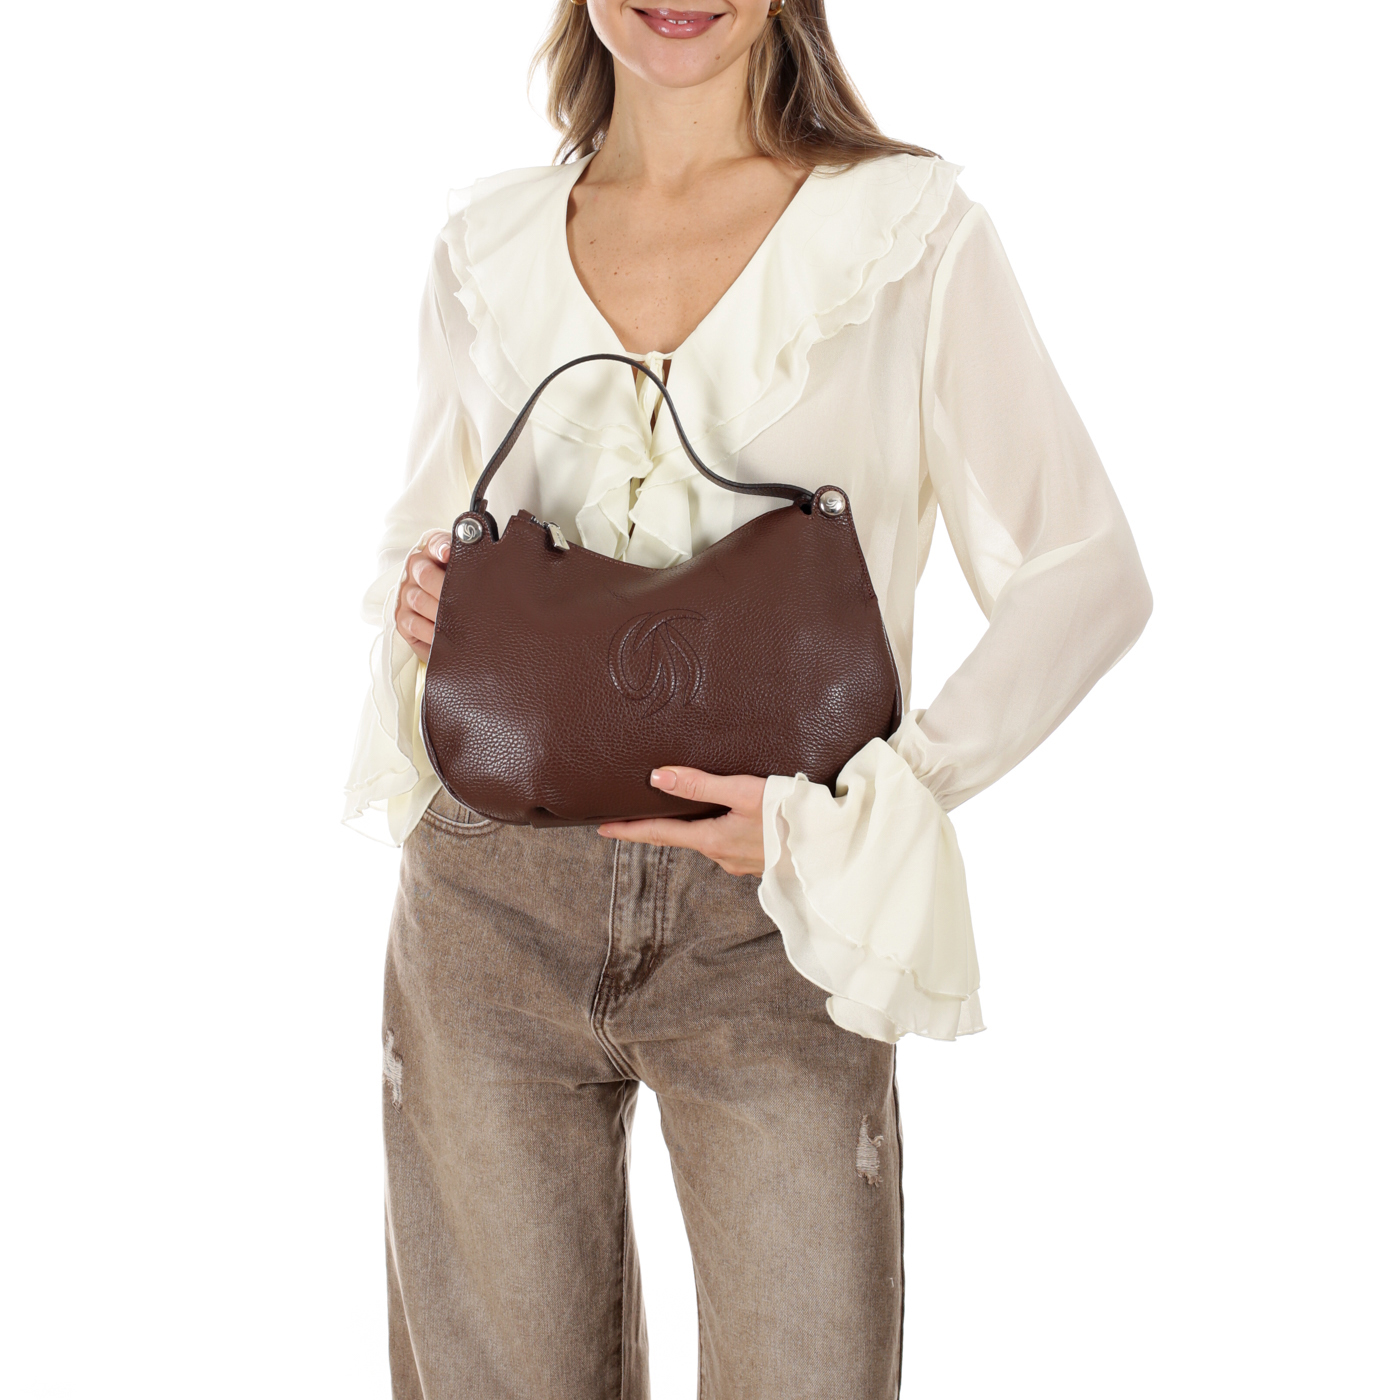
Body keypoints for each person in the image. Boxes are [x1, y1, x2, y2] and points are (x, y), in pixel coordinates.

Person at [343, 2, 1152, 1394]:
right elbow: (428, 537)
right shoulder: (485, 246)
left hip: (780, 910)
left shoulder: (909, 236)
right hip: (489, 898)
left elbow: (1089, 573)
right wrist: (424, 595)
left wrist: (878, 803)